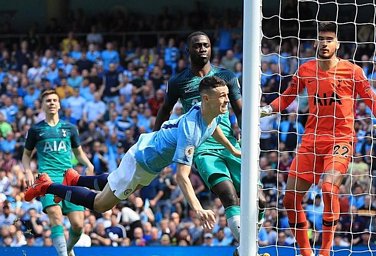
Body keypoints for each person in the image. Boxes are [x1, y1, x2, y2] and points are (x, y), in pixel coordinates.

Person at [25, 76, 240, 231]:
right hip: (141, 161)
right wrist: (198, 208)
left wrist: (232, 149)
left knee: (114, 182)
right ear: (206, 98)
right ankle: (47, 186)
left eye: (227, 95)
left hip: (151, 161)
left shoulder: (208, 112)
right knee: (101, 204)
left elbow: (214, 128)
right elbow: (181, 176)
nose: (226, 100)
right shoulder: (191, 129)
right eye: (221, 96)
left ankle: (75, 179)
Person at [260, 22, 376, 256]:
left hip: (341, 139)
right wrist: (265, 110)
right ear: (315, 42)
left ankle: (324, 252)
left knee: (328, 187)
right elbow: (286, 98)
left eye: (329, 39)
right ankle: (306, 253)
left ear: (337, 44)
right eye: (321, 38)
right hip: (311, 140)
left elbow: (371, 98)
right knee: (290, 200)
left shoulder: (351, 71)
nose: (324, 43)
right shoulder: (305, 70)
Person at [154, 31, 265, 250]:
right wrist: (154, 140)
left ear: (211, 48)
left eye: (206, 45)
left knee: (259, 200)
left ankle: (245, 247)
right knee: (228, 195)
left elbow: (240, 110)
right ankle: (249, 250)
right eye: (197, 46)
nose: (202, 49)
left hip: (230, 144)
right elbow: (164, 111)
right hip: (203, 148)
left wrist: (247, 136)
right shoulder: (178, 81)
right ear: (188, 50)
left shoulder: (227, 76)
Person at [22, 89, 94, 256]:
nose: (52, 103)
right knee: (55, 215)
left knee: (78, 225)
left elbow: (78, 153)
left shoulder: (70, 128)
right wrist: (27, 172)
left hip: (69, 178)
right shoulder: (35, 130)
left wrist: (89, 165)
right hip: (47, 179)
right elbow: (26, 156)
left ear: (59, 104)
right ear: (43, 105)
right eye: (48, 101)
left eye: (55, 100)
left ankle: (67, 249)